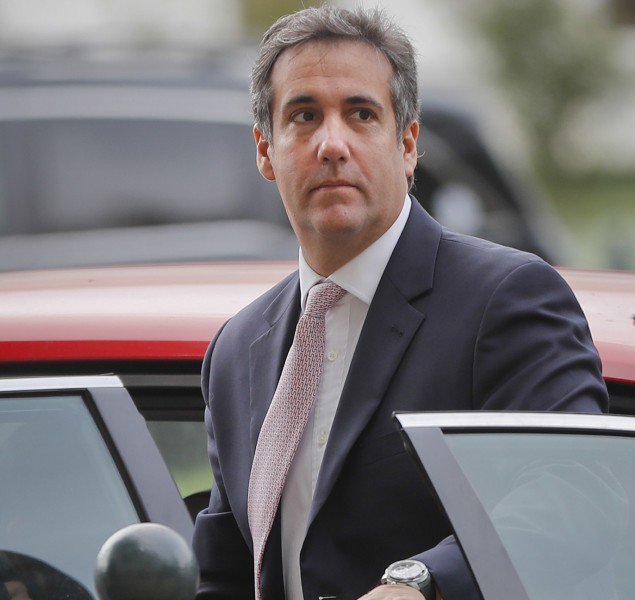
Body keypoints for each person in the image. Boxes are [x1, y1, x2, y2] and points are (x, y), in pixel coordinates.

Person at [191, 6, 608, 600]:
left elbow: (576, 494)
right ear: (265, 150)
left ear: (407, 144)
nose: (332, 144)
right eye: (304, 116)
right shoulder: (237, 350)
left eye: (361, 114)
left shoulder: (504, 298)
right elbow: (225, 573)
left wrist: (420, 583)